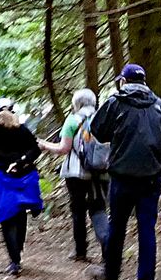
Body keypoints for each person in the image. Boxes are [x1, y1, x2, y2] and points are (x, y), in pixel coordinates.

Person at [88, 63, 161, 280]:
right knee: (147, 229)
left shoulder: (116, 102)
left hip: (122, 175)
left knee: (117, 225)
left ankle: (111, 275)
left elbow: (98, 130)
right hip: (151, 176)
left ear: (124, 81)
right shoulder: (160, 105)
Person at [38, 87, 110, 262]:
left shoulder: (72, 120)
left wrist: (44, 145)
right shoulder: (105, 118)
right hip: (101, 171)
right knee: (98, 209)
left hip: (76, 173)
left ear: (76, 103)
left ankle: (80, 251)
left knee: (78, 210)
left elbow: (64, 149)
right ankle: (107, 250)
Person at [0, 98, 43, 275]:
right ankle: (18, 253)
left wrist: (5, 160)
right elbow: (35, 149)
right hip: (23, 176)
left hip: (0, 177)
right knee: (20, 214)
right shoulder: (22, 130)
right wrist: (21, 160)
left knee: (5, 217)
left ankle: (14, 260)